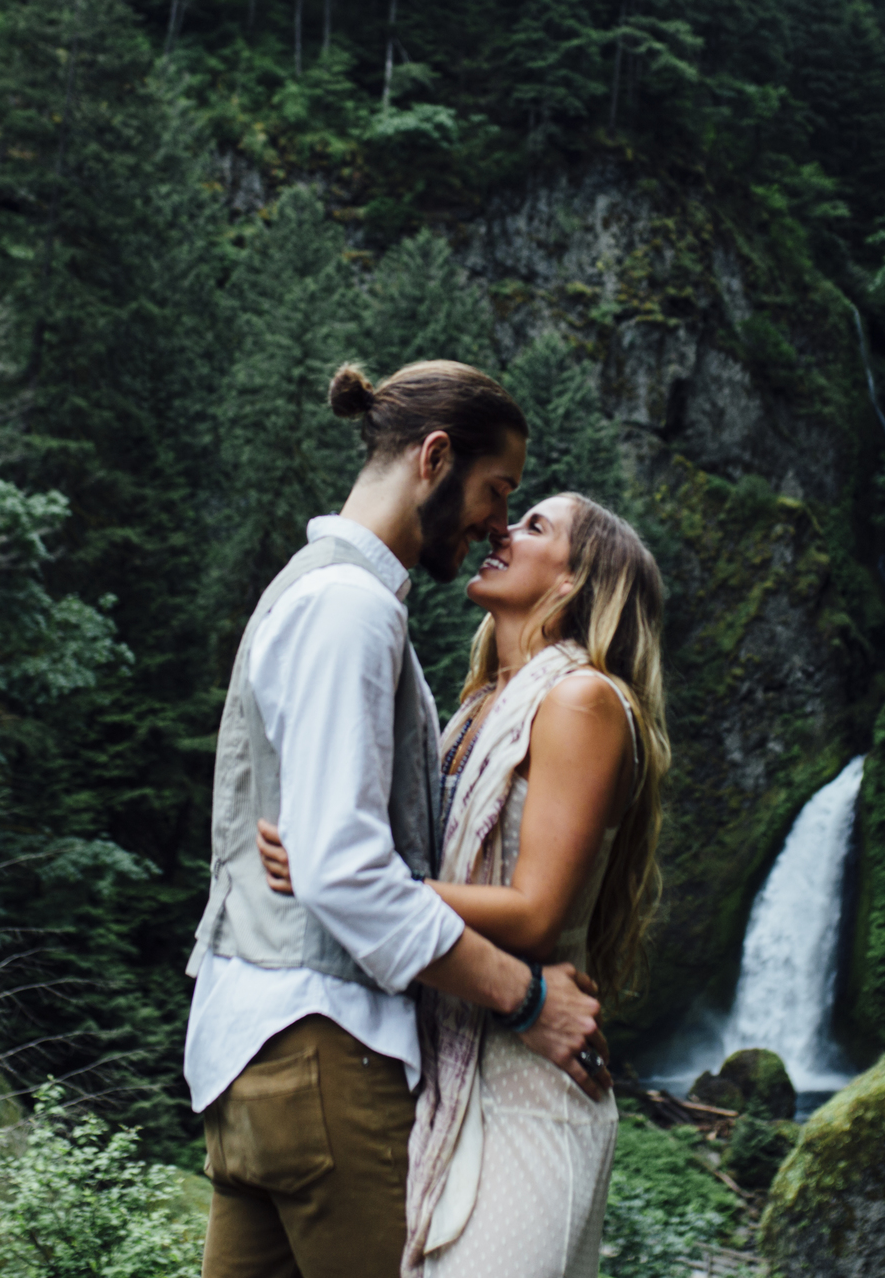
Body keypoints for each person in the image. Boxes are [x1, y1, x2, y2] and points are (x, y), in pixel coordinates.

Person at [185, 360, 611, 1278]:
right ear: (435, 456)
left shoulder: (309, 588)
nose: (498, 522)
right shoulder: (351, 610)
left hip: (243, 1055)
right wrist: (526, 995)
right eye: (497, 492)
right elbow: (344, 869)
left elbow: (324, 854)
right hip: (325, 1053)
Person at [258, 490, 671, 1278]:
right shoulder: (483, 706)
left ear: (578, 581)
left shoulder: (582, 699)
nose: (501, 531)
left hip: (527, 1090)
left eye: (535, 526)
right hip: (452, 1068)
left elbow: (536, 912)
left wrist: (345, 874)